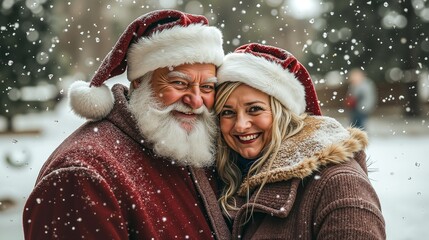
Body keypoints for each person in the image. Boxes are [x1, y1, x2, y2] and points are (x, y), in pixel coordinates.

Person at [22, 10, 231, 239]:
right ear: (140, 82)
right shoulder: (82, 175)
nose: (196, 100)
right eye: (179, 83)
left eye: (207, 87)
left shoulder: (195, 150)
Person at [214, 43, 385, 239]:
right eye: (227, 112)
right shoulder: (222, 176)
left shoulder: (338, 184)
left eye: (255, 109)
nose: (241, 125)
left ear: (284, 113)